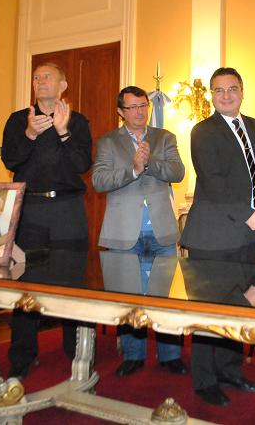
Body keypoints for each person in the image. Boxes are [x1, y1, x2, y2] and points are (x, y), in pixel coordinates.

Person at [179, 67, 255, 406]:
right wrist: (248, 214)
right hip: (213, 237)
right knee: (210, 310)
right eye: (219, 90)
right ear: (211, 95)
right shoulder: (203, 131)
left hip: (246, 236)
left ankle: (230, 370)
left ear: (241, 91)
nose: (225, 95)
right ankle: (205, 380)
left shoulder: (254, 126)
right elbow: (214, 181)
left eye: (232, 88)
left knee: (240, 306)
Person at [1, 62, 92, 380]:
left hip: (68, 209)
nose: (40, 81)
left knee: (72, 284)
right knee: (25, 285)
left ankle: (77, 354)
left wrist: (64, 132)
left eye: (47, 77)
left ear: (63, 85)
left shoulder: (78, 121)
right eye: (36, 77)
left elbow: (82, 164)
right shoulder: (18, 120)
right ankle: (21, 359)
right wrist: (30, 134)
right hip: (31, 210)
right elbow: (10, 159)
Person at [92, 85, 187, 377]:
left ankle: (170, 355)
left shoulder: (164, 137)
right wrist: (133, 169)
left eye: (143, 105)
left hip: (161, 229)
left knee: (165, 297)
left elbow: (178, 172)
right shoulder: (108, 141)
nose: (139, 112)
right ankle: (133, 355)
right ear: (120, 111)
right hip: (123, 230)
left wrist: (150, 163)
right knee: (127, 297)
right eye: (132, 107)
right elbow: (99, 180)